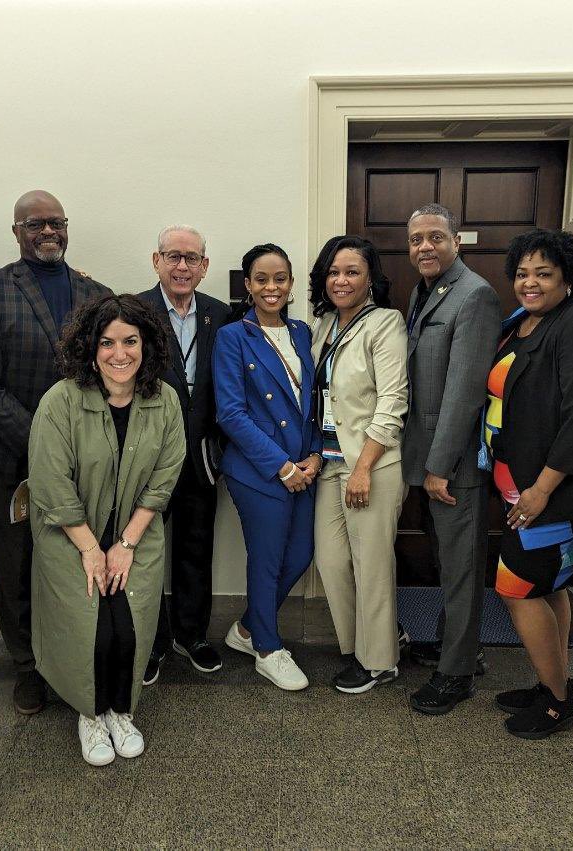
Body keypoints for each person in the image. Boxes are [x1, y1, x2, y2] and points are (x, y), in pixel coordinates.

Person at [0, 190, 111, 715]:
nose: (48, 232)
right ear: (16, 230)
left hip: (87, 463)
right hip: (13, 463)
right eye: (35, 224)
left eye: (56, 223)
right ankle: (28, 669)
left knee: (74, 566)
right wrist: (47, 447)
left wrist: (84, 449)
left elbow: (109, 374)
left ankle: (72, 661)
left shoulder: (96, 293)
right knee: (17, 568)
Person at [28, 294, 185, 766]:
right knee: (92, 629)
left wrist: (127, 544)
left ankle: (120, 709)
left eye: (131, 341)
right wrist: (93, 550)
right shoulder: (61, 401)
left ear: (147, 345)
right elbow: (50, 483)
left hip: (136, 534)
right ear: (90, 349)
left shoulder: (165, 400)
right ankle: (89, 713)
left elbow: (165, 477)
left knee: (129, 628)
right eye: (107, 342)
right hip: (70, 535)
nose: (120, 353)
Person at [483, 229, 573, 738]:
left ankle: (560, 703)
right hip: (521, 485)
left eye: (543, 273)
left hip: (554, 492)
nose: (529, 283)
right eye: (522, 273)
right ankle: (552, 681)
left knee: (516, 588)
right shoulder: (524, 322)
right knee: (550, 584)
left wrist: (541, 489)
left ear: (569, 276)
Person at [400, 204, 501, 715]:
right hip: (427, 458)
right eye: (417, 239)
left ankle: (456, 673)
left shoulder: (475, 295)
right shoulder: (424, 291)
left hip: (454, 463)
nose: (425, 247)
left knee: (461, 569)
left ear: (457, 242)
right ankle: (457, 646)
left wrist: (440, 466)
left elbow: (464, 392)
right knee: (447, 562)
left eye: (436, 238)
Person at [213, 243, 321, 691]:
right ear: (248, 285)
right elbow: (231, 413)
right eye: (261, 279)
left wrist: (314, 455)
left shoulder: (302, 332)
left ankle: (245, 629)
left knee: (300, 555)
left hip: (305, 463)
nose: (271, 287)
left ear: (291, 283)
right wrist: (282, 467)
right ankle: (268, 648)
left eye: (279, 278)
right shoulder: (232, 336)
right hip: (259, 470)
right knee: (268, 559)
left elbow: (315, 402)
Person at [308, 235, 408, 693]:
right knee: (331, 562)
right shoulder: (324, 324)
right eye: (333, 271)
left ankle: (380, 660)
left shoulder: (385, 323)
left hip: (373, 463)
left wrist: (365, 466)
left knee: (371, 565)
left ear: (371, 279)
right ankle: (358, 646)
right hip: (330, 462)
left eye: (352, 271)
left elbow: (392, 399)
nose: (341, 280)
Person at [137, 225, 231, 683]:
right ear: (156, 261)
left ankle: (191, 635)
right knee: (147, 550)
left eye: (191, 258)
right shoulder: (134, 309)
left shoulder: (221, 314)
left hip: (203, 453)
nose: (181, 266)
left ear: (204, 266)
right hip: (150, 455)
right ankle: (150, 642)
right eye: (173, 256)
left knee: (197, 545)